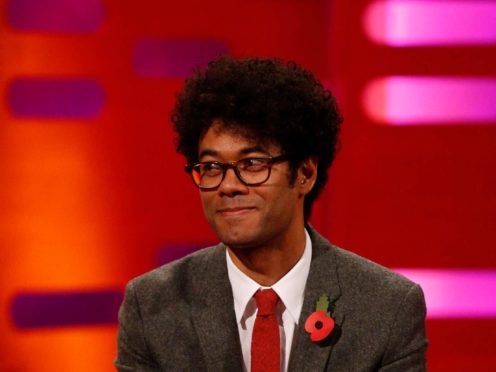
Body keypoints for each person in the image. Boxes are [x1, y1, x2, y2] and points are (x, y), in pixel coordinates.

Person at [115, 56, 428, 371]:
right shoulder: (153, 306)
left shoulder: (386, 308)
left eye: (251, 164)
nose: (228, 186)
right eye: (211, 168)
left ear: (304, 173)